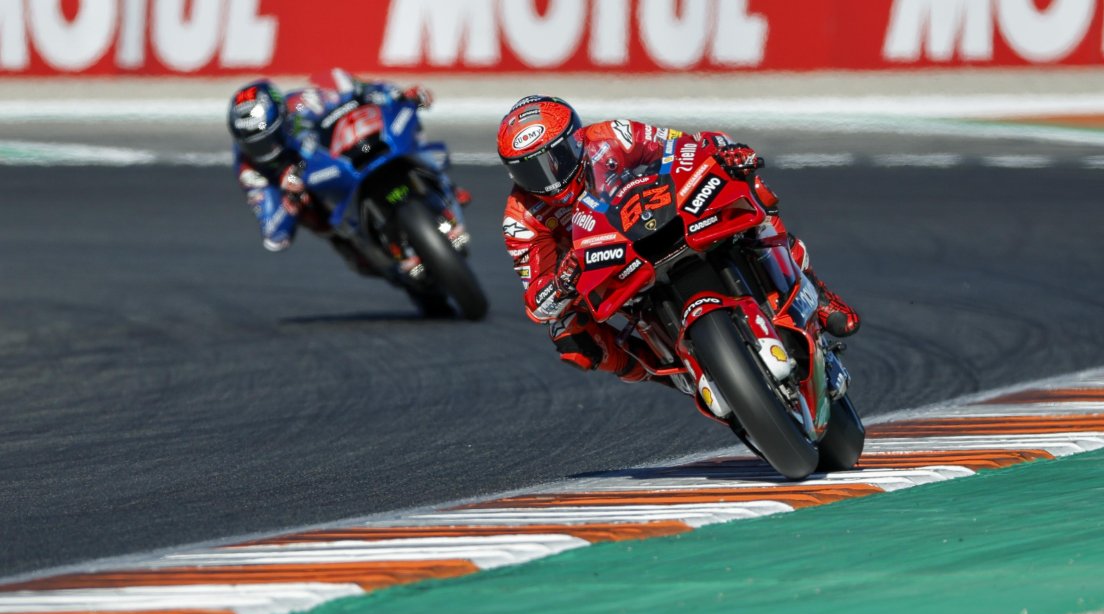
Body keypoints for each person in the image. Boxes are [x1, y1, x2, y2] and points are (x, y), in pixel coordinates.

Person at [496, 95, 859, 383]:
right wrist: (561, 281)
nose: (547, 178)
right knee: (566, 331)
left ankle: (815, 290)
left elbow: (682, 147)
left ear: (574, 141)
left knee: (747, 184)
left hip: (662, 218)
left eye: (554, 159)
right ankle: (662, 371)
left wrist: (723, 152)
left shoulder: (613, 137)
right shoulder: (521, 218)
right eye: (528, 170)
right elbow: (537, 303)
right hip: (608, 270)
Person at [227, 69, 469, 279]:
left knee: (403, 131)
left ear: (282, 119)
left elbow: (360, 92)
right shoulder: (251, 169)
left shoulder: (303, 103)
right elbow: (274, 236)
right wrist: (290, 201)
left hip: (343, 159)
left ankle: (441, 184)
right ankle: (365, 247)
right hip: (323, 204)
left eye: (270, 139)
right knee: (358, 259)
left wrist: (399, 95)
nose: (266, 150)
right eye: (255, 145)